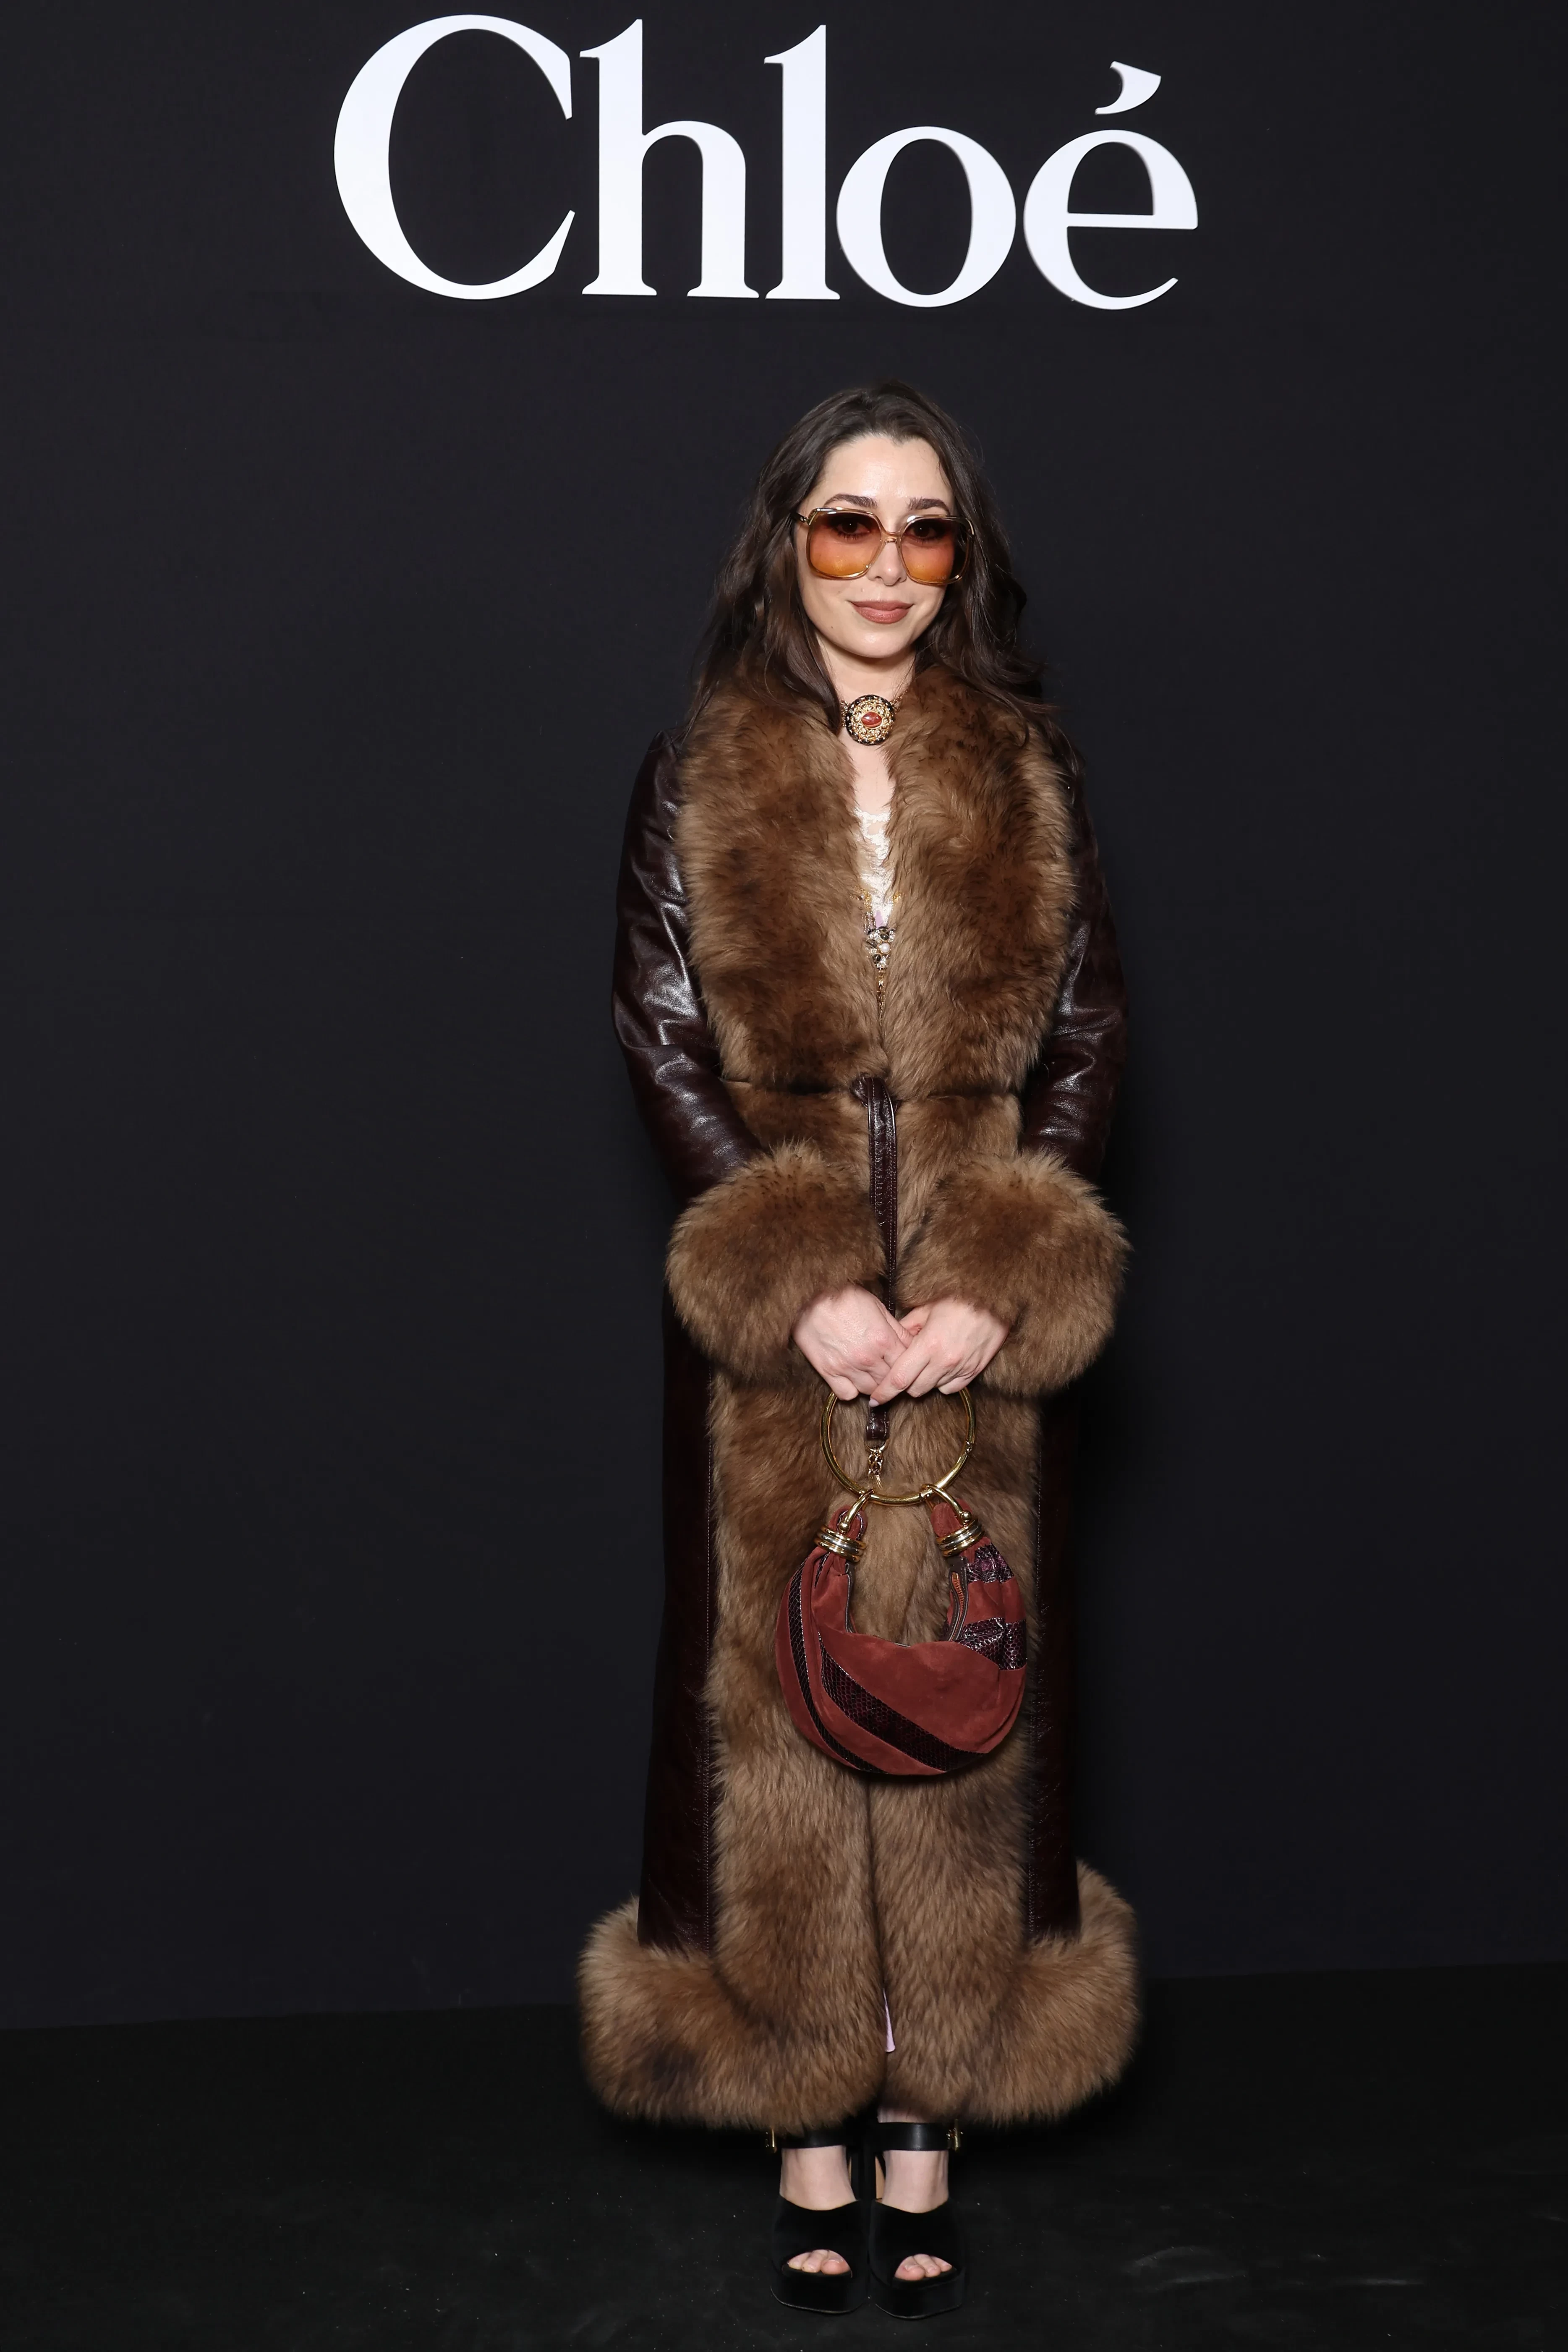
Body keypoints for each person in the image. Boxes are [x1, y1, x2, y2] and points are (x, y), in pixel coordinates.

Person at [580, 380, 1137, 2318]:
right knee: (776, 1693)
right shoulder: (697, 768)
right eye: (846, 524)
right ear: (786, 545)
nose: (885, 565)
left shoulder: (1028, 770)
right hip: (781, 1327)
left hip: (976, 1320)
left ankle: (933, 2092)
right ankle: (797, 2093)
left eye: (923, 529)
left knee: (962, 1680)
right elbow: (656, 1031)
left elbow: (1089, 1036)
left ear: (959, 561)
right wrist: (794, 1274)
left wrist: (998, 1281)